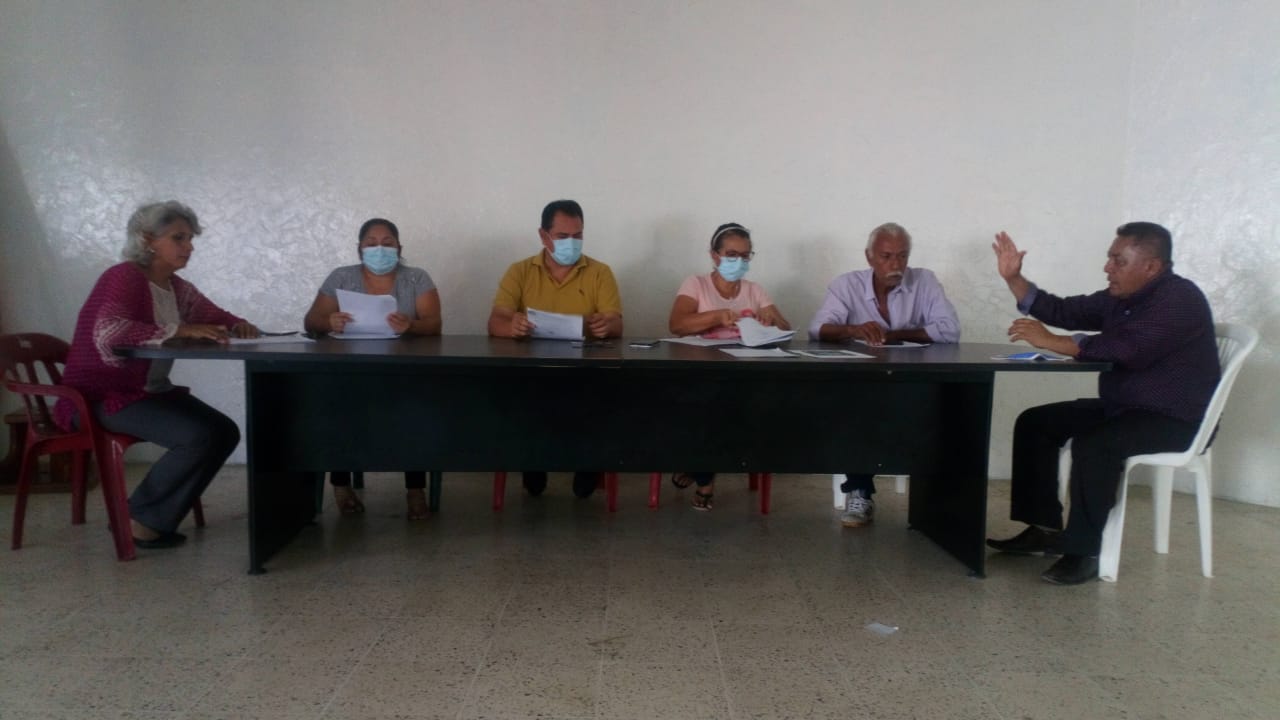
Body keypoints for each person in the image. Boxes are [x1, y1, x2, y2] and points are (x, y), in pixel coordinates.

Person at [986, 222, 1219, 585]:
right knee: (1036, 422)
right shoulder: (1122, 297)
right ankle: (1043, 530)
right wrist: (1014, 278)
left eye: (1118, 261)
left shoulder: (1179, 300)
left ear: (1151, 267)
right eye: (1110, 258)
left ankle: (1083, 551)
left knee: (1096, 444)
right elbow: (1063, 310)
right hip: (1126, 408)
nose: (1107, 267)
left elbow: (1126, 349)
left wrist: (1052, 342)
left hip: (1176, 419)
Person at [54, 200, 258, 549]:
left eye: (190, 238)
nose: (189, 246)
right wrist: (181, 329)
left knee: (224, 431)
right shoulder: (124, 277)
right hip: (100, 397)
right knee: (197, 437)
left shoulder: (176, 287)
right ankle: (137, 520)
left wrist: (238, 324)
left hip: (149, 392)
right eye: (179, 238)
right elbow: (109, 333)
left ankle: (152, 516)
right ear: (148, 239)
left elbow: (213, 315)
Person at [809, 222, 960, 527]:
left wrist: (895, 334)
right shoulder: (846, 285)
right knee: (856, 407)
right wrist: (853, 329)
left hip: (911, 383)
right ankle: (860, 492)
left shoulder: (925, 281)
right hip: (863, 384)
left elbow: (950, 330)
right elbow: (817, 329)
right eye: (887, 256)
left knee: (951, 405)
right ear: (869, 257)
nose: (895, 265)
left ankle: (940, 501)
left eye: (902, 256)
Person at [303, 217, 442, 519]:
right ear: (360, 248)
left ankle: (415, 490)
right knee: (336, 410)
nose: (380, 249)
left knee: (416, 413)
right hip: (350, 370)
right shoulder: (341, 277)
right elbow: (311, 321)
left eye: (387, 243)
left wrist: (411, 325)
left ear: (399, 247)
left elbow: (434, 324)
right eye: (371, 243)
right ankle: (341, 485)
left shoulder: (416, 278)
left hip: (405, 371)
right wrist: (328, 321)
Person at [486, 199, 622, 498]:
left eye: (578, 235)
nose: (571, 243)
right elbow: (496, 321)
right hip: (532, 370)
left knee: (598, 400)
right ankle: (534, 462)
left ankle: (586, 464)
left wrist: (606, 325)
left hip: (585, 370)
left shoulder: (600, 272)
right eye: (562, 236)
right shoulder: (520, 271)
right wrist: (511, 327)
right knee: (523, 401)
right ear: (543, 236)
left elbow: (615, 322)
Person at [667, 222, 791, 510]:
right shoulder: (696, 284)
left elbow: (786, 329)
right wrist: (715, 317)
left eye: (746, 256)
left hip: (742, 375)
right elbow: (677, 324)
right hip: (700, 371)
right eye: (732, 254)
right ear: (715, 255)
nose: (739, 261)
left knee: (731, 408)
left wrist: (771, 321)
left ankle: (698, 469)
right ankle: (705, 479)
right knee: (705, 407)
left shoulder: (754, 290)